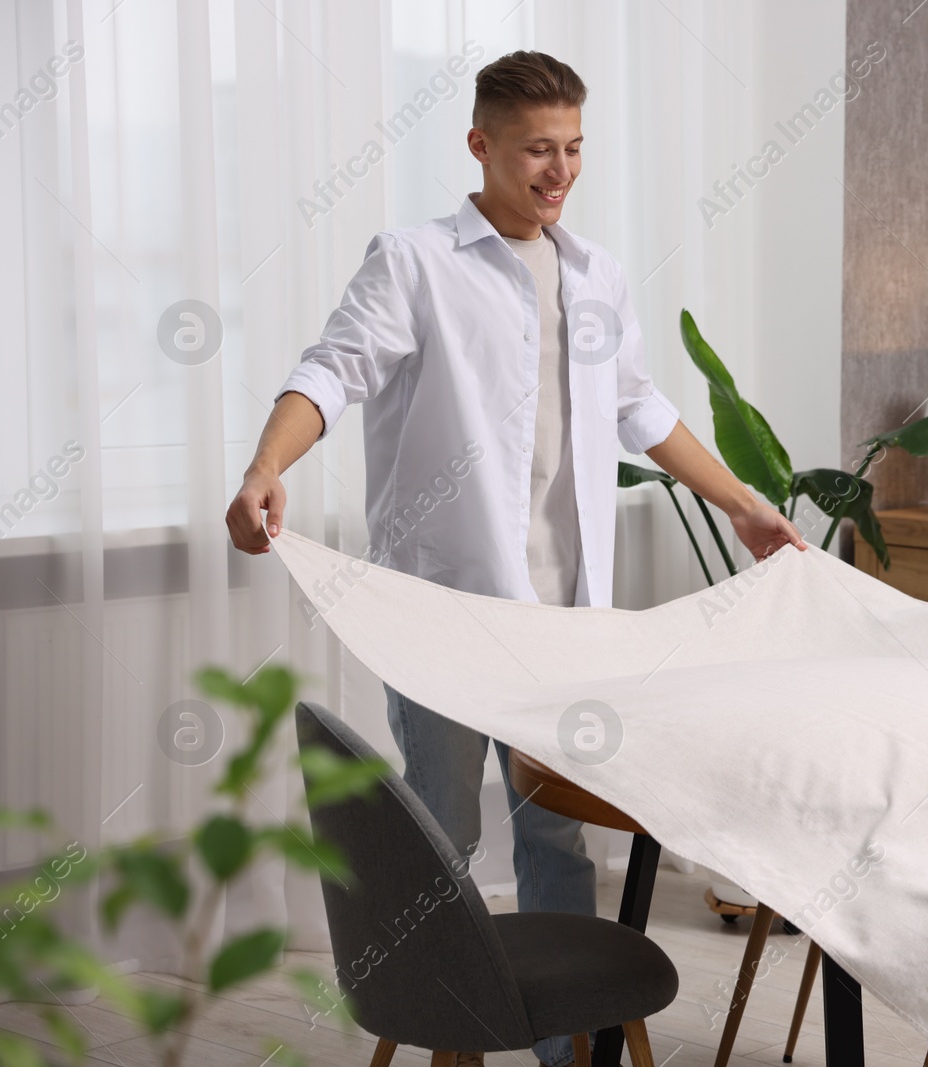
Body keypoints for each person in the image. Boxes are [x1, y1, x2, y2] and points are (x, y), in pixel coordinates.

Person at [225, 49, 806, 1067]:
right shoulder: (415, 262)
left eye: (574, 148)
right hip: (445, 613)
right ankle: (450, 1031)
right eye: (538, 148)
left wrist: (746, 506)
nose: (559, 170)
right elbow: (331, 369)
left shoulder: (596, 275)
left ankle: (569, 1050)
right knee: (442, 837)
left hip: (563, 623)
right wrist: (266, 465)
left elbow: (643, 409)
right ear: (480, 144)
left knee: (556, 836)